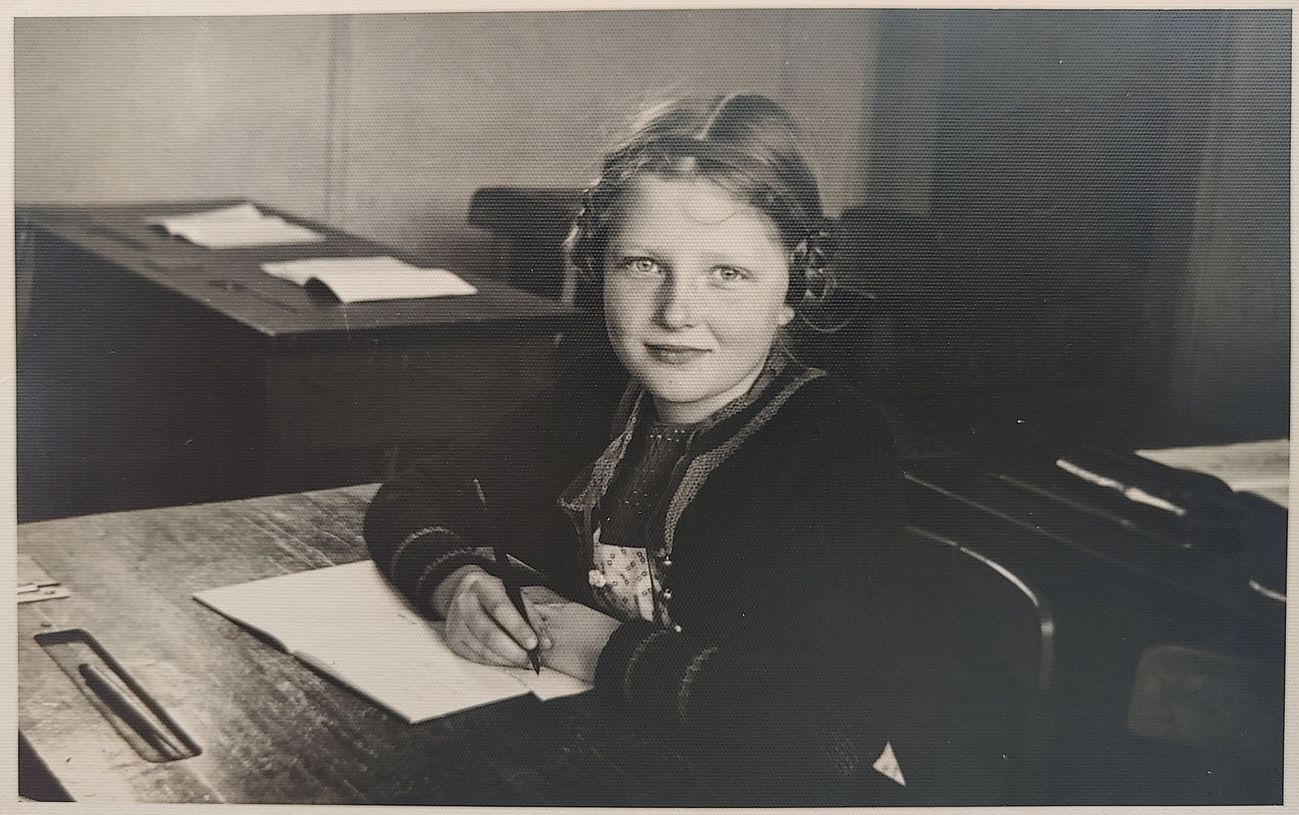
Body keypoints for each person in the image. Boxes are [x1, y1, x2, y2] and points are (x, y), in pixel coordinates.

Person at [365, 94, 953, 802]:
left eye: (726, 274)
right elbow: (411, 494)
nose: (676, 311)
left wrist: (599, 646)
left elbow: (831, 727)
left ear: (792, 287)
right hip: (615, 759)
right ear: (597, 265)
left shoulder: (829, 439)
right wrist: (455, 582)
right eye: (643, 264)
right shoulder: (594, 393)